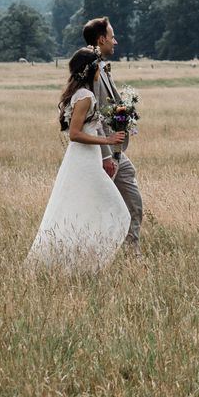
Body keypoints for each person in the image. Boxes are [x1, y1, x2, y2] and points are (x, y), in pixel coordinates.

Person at [27, 46, 130, 270]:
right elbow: (75, 134)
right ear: (92, 69)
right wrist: (108, 142)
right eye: (98, 67)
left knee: (84, 206)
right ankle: (88, 261)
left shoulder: (82, 94)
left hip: (87, 158)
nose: (101, 71)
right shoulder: (85, 96)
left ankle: (82, 259)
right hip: (84, 160)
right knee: (116, 208)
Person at [83, 17, 144, 256]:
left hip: (114, 149)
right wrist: (107, 155)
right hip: (105, 151)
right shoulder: (94, 72)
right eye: (112, 37)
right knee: (130, 203)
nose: (115, 42)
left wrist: (125, 112)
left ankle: (125, 249)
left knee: (128, 195)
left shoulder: (102, 68)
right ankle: (129, 254)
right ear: (101, 39)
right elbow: (94, 116)